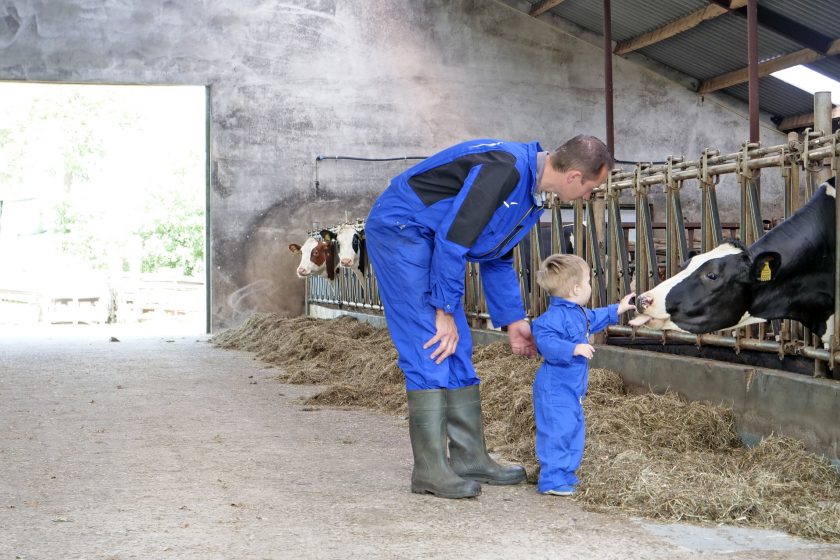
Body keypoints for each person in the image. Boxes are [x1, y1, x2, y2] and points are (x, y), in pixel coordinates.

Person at [365, 136, 613, 499]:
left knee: (459, 345)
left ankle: (469, 457)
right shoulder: (504, 170)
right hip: (402, 230)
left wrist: (513, 320)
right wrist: (444, 310)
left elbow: (497, 255)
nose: (590, 196)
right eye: (592, 187)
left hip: (432, 238)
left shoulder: (531, 193)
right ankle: (430, 469)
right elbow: (453, 240)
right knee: (432, 342)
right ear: (574, 176)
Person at [531, 253, 636, 496]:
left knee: (573, 427)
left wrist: (618, 308)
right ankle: (552, 478)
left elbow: (595, 318)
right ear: (576, 288)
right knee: (558, 429)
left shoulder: (577, 312)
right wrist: (573, 348)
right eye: (588, 281)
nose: (590, 285)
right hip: (554, 387)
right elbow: (545, 343)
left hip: (571, 387)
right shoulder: (551, 319)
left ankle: (566, 472)